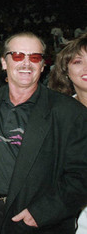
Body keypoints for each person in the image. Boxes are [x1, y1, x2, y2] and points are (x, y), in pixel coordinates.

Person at [0, 32, 87, 233]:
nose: (26, 64)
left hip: (38, 222)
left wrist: (42, 213)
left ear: (43, 66)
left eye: (35, 57)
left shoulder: (69, 111)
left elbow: (81, 175)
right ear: (4, 62)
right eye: (18, 56)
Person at [48, 33, 87, 233]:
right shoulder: (57, 115)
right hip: (73, 213)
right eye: (78, 61)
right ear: (66, 71)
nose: (86, 68)